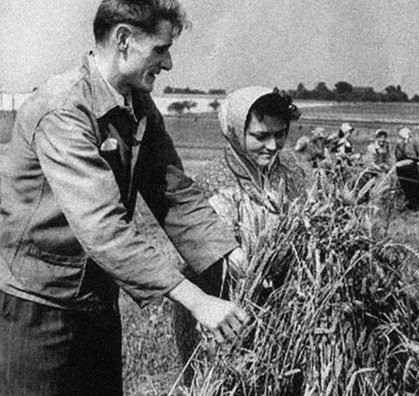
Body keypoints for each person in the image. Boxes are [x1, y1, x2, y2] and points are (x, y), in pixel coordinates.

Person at [0, 1, 247, 395]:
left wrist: (233, 258)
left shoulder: (137, 104)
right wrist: (197, 301)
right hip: (38, 306)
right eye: (161, 49)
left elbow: (174, 194)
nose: (167, 64)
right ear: (124, 39)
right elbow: (102, 228)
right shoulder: (63, 109)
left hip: (96, 301)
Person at [173, 86, 306, 383]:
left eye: (280, 134)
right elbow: (212, 255)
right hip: (222, 304)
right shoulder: (216, 180)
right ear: (235, 131)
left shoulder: (291, 173)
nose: (273, 145)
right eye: (260, 136)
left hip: (279, 304)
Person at [394, 127, 419, 210]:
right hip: (411, 165)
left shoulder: (399, 145)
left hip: (400, 167)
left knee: (406, 187)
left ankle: (409, 204)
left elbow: (397, 156)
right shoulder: (414, 143)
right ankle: (418, 205)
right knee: (415, 185)